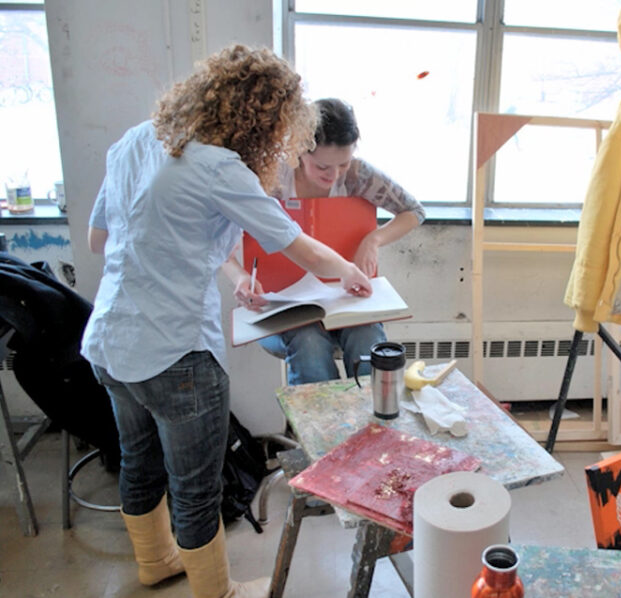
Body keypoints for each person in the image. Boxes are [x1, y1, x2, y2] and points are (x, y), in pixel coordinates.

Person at [81, 45, 371, 598]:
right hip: (175, 353)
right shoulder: (219, 165)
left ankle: (156, 563)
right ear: (264, 120)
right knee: (195, 487)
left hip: (110, 342)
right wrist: (351, 278)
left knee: (138, 463)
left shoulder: (137, 140)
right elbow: (299, 246)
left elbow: (100, 239)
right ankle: (218, 592)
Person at [256, 98, 425, 384]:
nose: (334, 175)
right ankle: (318, 426)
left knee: (368, 339)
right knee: (308, 343)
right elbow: (231, 234)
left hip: (347, 298)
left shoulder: (358, 175)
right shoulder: (272, 179)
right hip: (286, 305)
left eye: (343, 164)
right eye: (323, 167)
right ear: (299, 150)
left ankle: (374, 423)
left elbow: (414, 211)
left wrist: (373, 239)